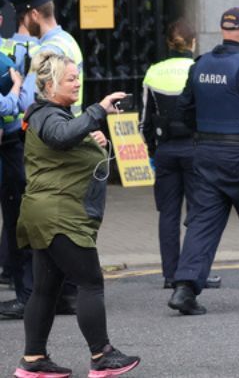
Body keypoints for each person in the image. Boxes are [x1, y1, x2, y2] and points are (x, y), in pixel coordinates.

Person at [14, 51, 139, 378]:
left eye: (76, 76)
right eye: (70, 78)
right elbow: (59, 136)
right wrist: (98, 111)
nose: (77, 82)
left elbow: (67, 143)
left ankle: (33, 360)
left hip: (50, 214)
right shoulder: (46, 115)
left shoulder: (60, 116)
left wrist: (91, 136)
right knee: (90, 282)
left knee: (46, 288)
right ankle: (102, 356)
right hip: (60, 217)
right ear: (49, 84)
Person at [166, 7, 239, 316]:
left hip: (205, 154)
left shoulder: (200, 64)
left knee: (202, 224)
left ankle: (184, 289)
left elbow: (182, 111)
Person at [140, 19, 198, 289]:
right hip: (195, 149)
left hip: (166, 150)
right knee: (199, 214)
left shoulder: (153, 72)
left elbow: (145, 120)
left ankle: (171, 274)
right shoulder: (198, 70)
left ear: (168, 43)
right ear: (193, 43)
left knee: (169, 214)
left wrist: (154, 150)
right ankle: (193, 272)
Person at [0, 0, 38, 320]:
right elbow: (16, 103)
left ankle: (23, 291)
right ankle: (24, 292)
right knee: (15, 220)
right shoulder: (13, 55)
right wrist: (14, 90)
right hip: (10, 143)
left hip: (10, 144)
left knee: (14, 219)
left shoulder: (12, 52)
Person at [8, 0, 84, 115]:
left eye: (23, 19)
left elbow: (27, 103)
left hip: (56, 128)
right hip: (71, 123)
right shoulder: (68, 39)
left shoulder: (47, 50)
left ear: (34, 15)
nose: (25, 25)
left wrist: (18, 83)